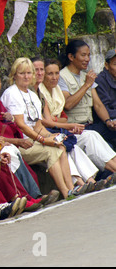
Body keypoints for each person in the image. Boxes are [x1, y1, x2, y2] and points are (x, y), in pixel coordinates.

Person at [0, 68, 60, 204]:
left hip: (2, 143)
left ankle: (35, 197)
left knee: (14, 156)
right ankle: (26, 199)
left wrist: (9, 118)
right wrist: (18, 141)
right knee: (10, 156)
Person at [0, 57, 76, 199]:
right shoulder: (12, 93)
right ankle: (66, 192)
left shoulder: (33, 96)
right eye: (22, 73)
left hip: (33, 139)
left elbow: (38, 125)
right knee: (51, 151)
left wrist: (51, 137)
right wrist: (43, 140)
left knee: (60, 146)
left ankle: (72, 188)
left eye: (29, 73)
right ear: (14, 74)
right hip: (20, 143)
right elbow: (21, 125)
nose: (26, 76)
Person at [39, 58, 116, 188]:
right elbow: (48, 121)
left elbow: (63, 118)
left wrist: (59, 122)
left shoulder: (56, 90)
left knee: (92, 135)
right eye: (49, 74)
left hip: (63, 130)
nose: (54, 77)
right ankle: (90, 182)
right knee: (86, 139)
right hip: (53, 133)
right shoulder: (40, 92)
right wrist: (65, 124)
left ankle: (106, 174)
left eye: (56, 73)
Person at [58, 39, 116, 148]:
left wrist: (108, 121)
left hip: (91, 125)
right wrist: (86, 85)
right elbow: (68, 104)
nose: (87, 59)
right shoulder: (61, 76)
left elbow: (98, 105)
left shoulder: (86, 76)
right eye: (83, 55)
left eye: (88, 55)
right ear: (71, 57)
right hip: (75, 128)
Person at [95, 49, 116, 126]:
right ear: (106, 65)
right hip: (106, 121)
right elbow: (104, 107)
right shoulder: (100, 80)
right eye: (115, 64)